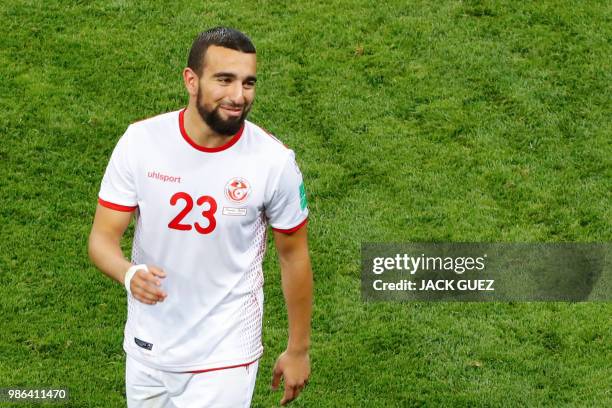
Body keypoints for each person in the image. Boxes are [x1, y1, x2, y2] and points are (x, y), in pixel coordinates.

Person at [88, 27, 312, 407]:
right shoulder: (140, 143)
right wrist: (128, 274)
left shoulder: (273, 163)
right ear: (191, 80)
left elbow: (294, 256)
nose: (239, 96)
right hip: (147, 348)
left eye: (248, 82)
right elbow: (102, 239)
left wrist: (298, 349)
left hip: (225, 353)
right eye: (224, 80)